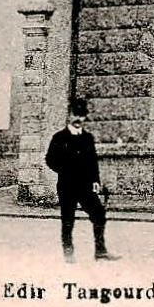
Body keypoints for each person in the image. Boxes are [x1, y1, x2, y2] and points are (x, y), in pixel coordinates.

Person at [44, 99, 117, 263]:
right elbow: (50, 159)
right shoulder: (59, 137)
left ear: (85, 117)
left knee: (99, 214)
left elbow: (93, 161)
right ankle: (68, 253)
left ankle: (100, 251)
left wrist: (95, 180)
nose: (78, 119)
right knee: (68, 220)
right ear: (69, 115)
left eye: (82, 115)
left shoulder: (87, 138)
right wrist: (64, 170)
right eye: (75, 115)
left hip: (85, 187)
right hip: (66, 186)